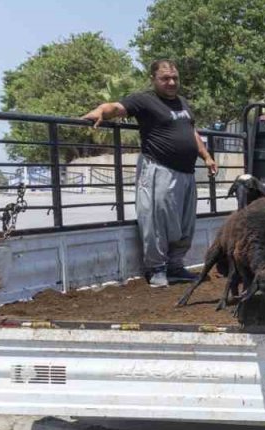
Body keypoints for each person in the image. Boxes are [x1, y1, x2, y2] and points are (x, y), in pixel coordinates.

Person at [82, 59, 218, 288]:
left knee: (185, 223)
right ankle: (156, 269)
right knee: (156, 221)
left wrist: (206, 156)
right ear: (153, 79)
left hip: (186, 173)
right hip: (159, 169)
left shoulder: (182, 103)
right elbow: (117, 108)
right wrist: (100, 111)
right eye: (165, 78)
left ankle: (176, 266)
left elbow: (190, 131)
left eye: (174, 78)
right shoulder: (144, 100)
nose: (171, 82)